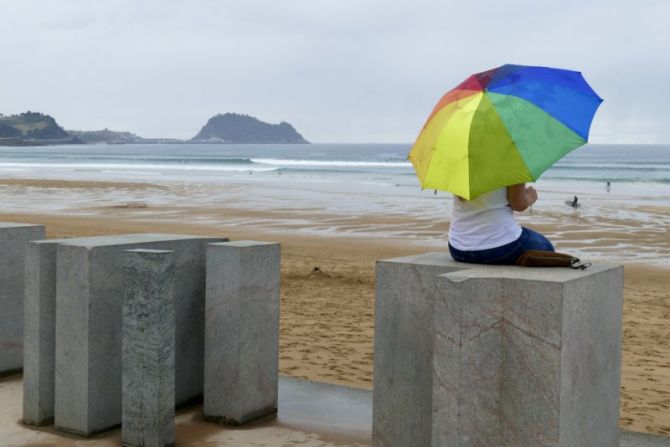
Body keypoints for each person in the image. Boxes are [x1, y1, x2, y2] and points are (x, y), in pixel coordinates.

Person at [448, 184, 555, 265]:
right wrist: (531, 196)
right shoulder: (511, 158)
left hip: (458, 248)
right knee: (546, 247)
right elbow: (518, 205)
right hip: (500, 246)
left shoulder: (462, 161)